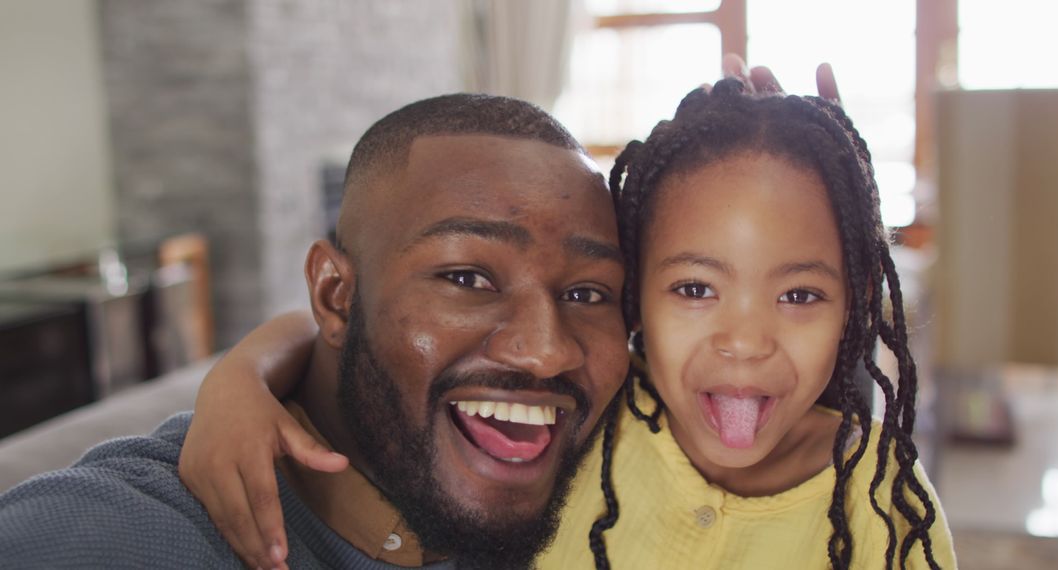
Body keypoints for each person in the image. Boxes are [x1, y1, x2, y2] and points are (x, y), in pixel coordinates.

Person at [179, 77, 957, 569]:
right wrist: (240, 378)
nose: (745, 339)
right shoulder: (602, 423)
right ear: (640, 312)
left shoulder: (884, 505)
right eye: (693, 288)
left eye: (799, 296)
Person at [0, 93, 633, 570]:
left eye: (587, 293)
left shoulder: (623, 476)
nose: (547, 350)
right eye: (468, 278)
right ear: (335, 295)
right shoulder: (107, 535)